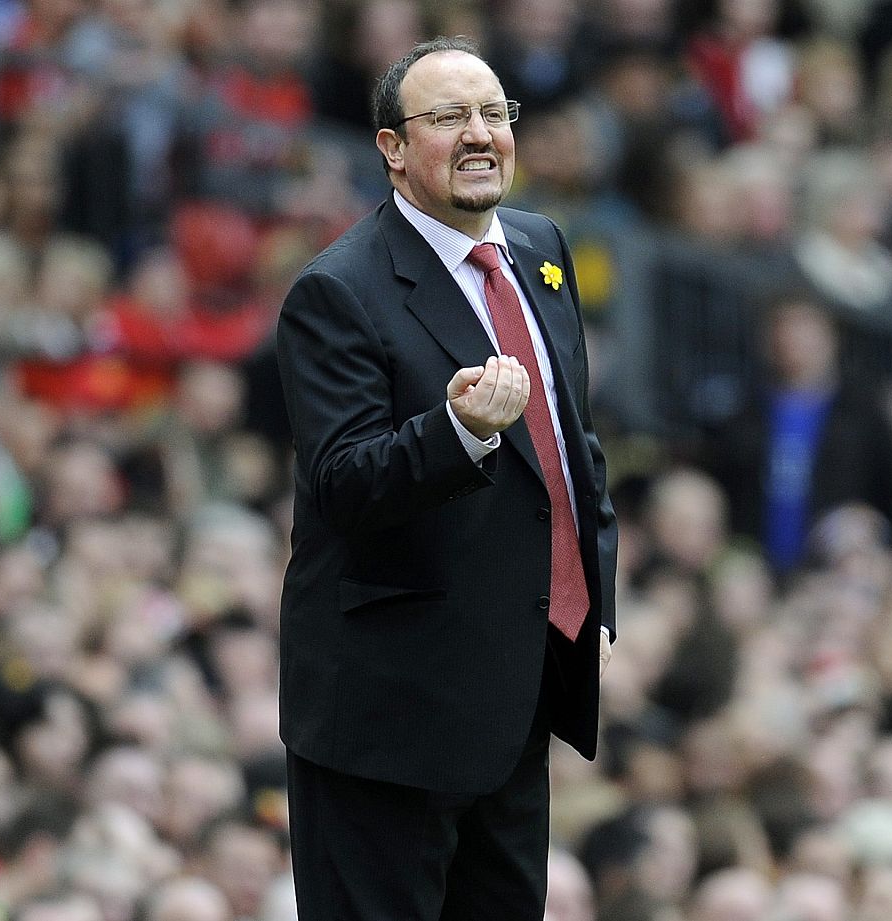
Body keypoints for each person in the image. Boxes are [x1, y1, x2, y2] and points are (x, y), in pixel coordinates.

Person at [273, 36, 618, 920]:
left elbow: (569, 438)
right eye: (449, 117)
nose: (479, 134)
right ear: (392, 147)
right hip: (388, 719)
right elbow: (343, 482)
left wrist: (595, 578)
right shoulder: (338, 290)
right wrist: (458, 431)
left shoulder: (541, 245)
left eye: (494, 113)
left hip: (516, 692)